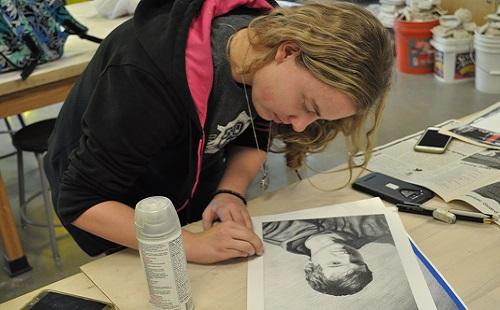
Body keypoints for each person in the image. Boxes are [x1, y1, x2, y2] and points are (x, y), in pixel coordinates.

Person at [44, 0, 393, 264]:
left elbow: (249, 131)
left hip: (184, 185)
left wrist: (230, 191)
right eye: (307, 105)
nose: (299, 124)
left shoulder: (262, 61)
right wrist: (189, 245)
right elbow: (82, 201)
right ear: (288, 51)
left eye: (315, 119)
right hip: (115, 206)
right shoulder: (147, 78)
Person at [262, 215, 392, 295]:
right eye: (357, 261)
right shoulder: (377, 229)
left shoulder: (272, 230)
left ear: (309, 266)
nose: (347, 257)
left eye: (335, 263)